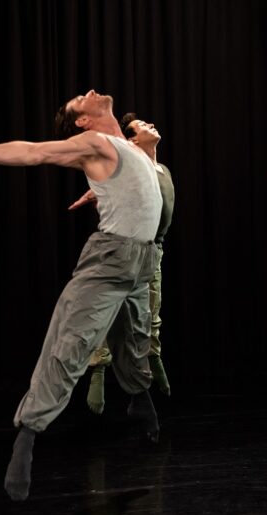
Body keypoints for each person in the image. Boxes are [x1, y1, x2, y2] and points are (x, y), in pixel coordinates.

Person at [0, 90, 162, 502]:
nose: (88, 92)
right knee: (71, 343)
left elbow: (148, 191)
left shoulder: (128, 147)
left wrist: (106, 189)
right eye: (78, 100)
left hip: (143, 260)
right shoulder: (93, 143)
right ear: (82, 122)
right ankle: (28, 434)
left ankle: (140, 398)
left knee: (136, 336)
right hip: (111, 260)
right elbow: (31, 152)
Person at [69, 113, 175, 414]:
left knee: (150, 315)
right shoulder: (129, 167)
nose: (152, 124)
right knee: (110, 314)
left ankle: (153, 360)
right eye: (143, 126)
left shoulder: (162, 169)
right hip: (125, 250)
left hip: (153, 251)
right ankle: (99, 372)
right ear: (132, 140)